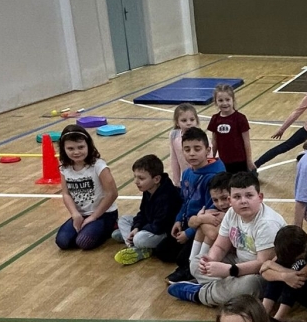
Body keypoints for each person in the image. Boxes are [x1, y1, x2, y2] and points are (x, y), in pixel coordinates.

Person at [168, 171, 284, 306]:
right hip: (237, 263)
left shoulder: (267, 223)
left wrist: (229, 270)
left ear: (260, 197)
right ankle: (223, 287)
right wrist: (210, 260)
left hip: (261, 273)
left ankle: (200, 294)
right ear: (230, 200)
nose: (243, 201)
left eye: (249, 195)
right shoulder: (231, 213)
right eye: (237, 197)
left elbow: (262, 264)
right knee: (196, 263)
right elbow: (220, 246)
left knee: (248, 285)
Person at [158, 127, 226, 282]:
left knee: (182, 258)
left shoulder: (215, 177)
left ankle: (188, 270)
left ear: (208, 150)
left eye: (197, 149)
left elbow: (212, 213)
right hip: (189, 222)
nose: (192, 153)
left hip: (203, 226)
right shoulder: (188, 172)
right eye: (187, 149)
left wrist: (188, 233)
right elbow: (185, 200)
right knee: (162, 251)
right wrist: (178, 220)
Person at [55, 126, 119, 251]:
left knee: (84, 242)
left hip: (103, 214)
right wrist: (75, 214)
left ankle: (112, 226)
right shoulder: (65, 168)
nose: (76, 152)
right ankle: (88, 230)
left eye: (81, 147)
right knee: (62, 241)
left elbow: (112, 193)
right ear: (63, 149)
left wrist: (93, 217)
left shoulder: (98, 165)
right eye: (70, 148)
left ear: (88, 145)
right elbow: (66, 194)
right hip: (81, 214)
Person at [112, 154, 181, 264]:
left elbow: (159, 226)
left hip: (162, 232)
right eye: (135, 177)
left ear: (156, 179)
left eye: (141, 178)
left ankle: (135, 244)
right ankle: (133, 244)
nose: (136, 181)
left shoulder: (167, 195)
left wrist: (138, 229)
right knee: (123, 220)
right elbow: (142, 213)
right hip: (150, 225)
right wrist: (136, 227)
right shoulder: (148, 189)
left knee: (139, 239)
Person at [261, 225, 307, 319]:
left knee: (295, 272)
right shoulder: (288, 248)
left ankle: (278, 318)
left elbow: (299, 276)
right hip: (294, 291)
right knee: (281, 271)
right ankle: (263, 312)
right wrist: (283, 275)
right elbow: (263, 271)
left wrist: (271, 265)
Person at [207, 83, 253, 175]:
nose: (224, 103)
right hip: (223, 162)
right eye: (220, 100)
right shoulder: (215, 119)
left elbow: (246, 142)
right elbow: (214, 142)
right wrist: (211, 159)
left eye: (227, 99)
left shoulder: (240, 118)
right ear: (216, 102)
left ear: (233, 100)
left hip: (240, 161)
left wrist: (249, 161)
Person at [167, 104, 200, 186]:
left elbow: (209, 157)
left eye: (192, 120)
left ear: (196, 120)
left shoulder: (201, 137)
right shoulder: (174, 135)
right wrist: (176, 181)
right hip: (186, 178)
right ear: (177, 122)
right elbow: (174, 159)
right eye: (184, 120)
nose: (189, 123)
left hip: (201, 177)